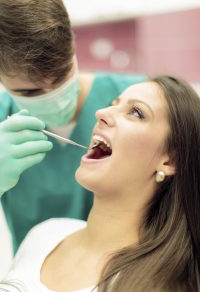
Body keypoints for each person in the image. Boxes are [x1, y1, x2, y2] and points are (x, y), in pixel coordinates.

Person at [1, 75, 200, 292]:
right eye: (112, 104)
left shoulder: (158, 284)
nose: (101, 113)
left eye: (136, 112)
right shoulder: (44, 234)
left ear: (170, 160)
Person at [0, 0, 145, 252]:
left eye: (62, 77)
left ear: (74, 47)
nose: (53, 98)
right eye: (30, 92)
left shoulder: (137, 98)